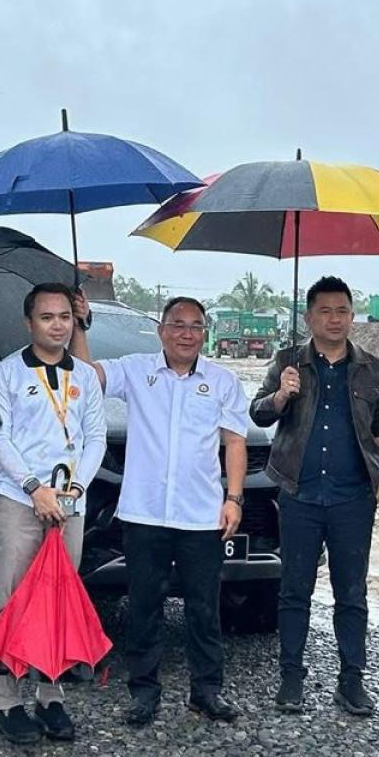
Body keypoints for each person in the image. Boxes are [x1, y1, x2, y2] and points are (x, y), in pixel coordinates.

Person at [77, 295, 247, 727]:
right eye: (178, 324)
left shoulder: (223, 381)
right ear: (162, 330)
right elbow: (86, 375)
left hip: (200, 515)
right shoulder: (137, 370)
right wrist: (80, 326)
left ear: (204, 332)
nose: (186, 333)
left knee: (204, 608)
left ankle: (206, 691)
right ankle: (143, 691)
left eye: (195, 326)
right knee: (144, 605)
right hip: (146, 513)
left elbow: (234, 442)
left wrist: (234, 498)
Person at [249, 276, 379, 717]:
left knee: (352, 592)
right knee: (295, 589)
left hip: (353, 496)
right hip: (300, 493)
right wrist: (282, 394)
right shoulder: (289, 361)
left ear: (352, 316)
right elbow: (257, 412)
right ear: (309, 317)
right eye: (325, 311)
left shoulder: (371, 366)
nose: (335, 319)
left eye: (343, 310)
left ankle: (351, 682)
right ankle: (291, 679)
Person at [0, 283, 107, 745]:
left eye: (64, 317)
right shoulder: (10, 373)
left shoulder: (84, 377)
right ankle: (6, 701)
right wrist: (34, 487)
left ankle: (49, 695)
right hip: (20, 499)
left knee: (57, 599)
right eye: (47, 317)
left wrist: (76, 486)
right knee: (13, 598)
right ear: (29, 322)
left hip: (68, 502)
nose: (57, 325)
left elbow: (94, 436)